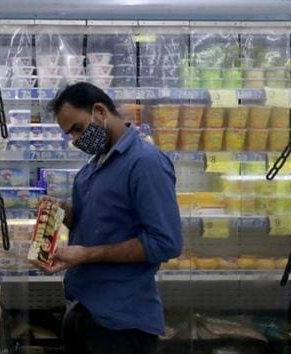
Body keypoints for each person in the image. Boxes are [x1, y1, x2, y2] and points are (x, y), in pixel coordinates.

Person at [33, 82, 183, 354]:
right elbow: (98, 224)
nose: (76, 140)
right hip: (83, 312)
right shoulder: (92, 169)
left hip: (122, 325)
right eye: (70, 135)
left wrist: (87, 255)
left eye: (78, 129)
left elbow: (165, 243)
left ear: (99, 111)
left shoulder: (145, 163)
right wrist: (65, 213)